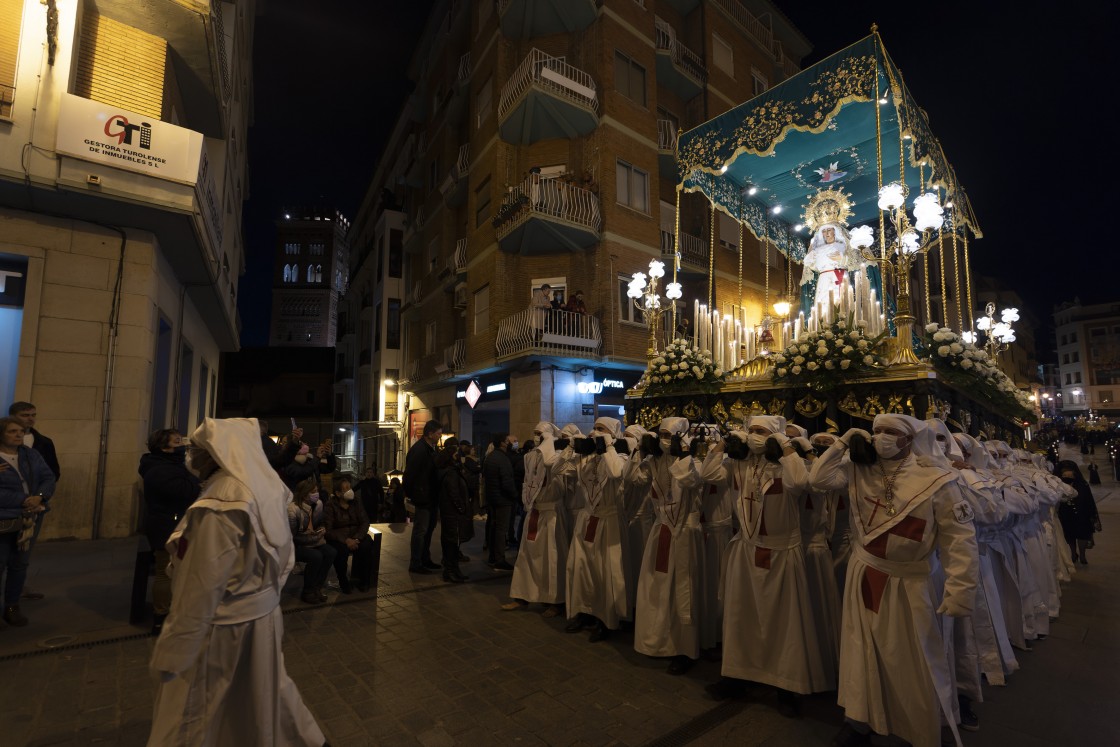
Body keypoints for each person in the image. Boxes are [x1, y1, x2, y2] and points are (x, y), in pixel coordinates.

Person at [147, 418, 325, 745]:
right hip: (261, 620)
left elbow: (199, 587)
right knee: (262, 698)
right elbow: (283, 560)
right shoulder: (265, 488)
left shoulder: (221, 501)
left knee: (195, 718)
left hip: (221, 632)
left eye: (199, 449)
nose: (192, 456)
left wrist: (173, 652)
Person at [810, 414, 977, 747]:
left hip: (911, 584)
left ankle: (918, 728)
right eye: (876, 431)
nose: (881, 437)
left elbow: (959, 538)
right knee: (861, 651)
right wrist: (843, 440)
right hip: (867, 572)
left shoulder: (938, 479)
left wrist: (961, 588)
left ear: (910, 439)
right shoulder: (860, 468)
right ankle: (858, 721)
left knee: (911, 658)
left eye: (890, 432)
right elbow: (818, 479)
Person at [701, 416, 830, 711]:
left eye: (761, 432)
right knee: (741, 616)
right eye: (752, 432)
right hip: (747, 549)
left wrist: (785, 446)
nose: (754, 437)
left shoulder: (787, 464)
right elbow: (708, 472)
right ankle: (737, 676)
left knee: (784, 622)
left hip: (782, 551)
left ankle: (786, 685)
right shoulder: (739, 464)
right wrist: (725, 442)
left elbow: (801, 482)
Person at [631, 417, 704, 675]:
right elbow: (635, 478)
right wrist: (642, 450)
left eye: (668, 436)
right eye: (660, 435)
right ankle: (659, 641)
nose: (663, 440)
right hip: (661, 530)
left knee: (682, 591)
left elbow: (689, 481)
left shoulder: (692, 462)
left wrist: (684, 451)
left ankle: (684, 649)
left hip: (684, 532)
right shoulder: (654, 462)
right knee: (658, 589)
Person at [564, 417, 631, 642]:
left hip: (609, 521)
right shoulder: (587, 458)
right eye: (594, 428)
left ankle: (606, 620)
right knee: (581, 568)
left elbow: (615, 473)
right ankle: (583, 611)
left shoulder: (620, 456)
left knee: (605, 572)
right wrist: (572, 448)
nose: (594, 432)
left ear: (612, 434)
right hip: (587, 518)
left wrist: (608, 446)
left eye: (600, 429)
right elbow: (556, 468)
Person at [139, 428, 202, 633]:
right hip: (166, 525)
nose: (182, 447)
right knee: (164, 571)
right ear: (163, 447)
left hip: (170, 522)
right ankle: (161, 616)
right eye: (177, 443)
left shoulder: (166, 465)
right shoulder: (160, 470)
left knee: (175, 570)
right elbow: (186, 492)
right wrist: (195, 478)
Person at [504, 421, 567, 615]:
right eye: (534, 432)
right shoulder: (530, 457)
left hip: (550, 513)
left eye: (540, 433)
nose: (536, 436)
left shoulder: (556, 457)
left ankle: (553, 601)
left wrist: (550, 445)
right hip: (534, 510)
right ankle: (522, 596)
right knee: (526, 556)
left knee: (550, 557)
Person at [0, 416, 54, 628]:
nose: (18, 435)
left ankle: (12, 606)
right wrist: (23, 499)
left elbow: (48, 477)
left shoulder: (31, 454)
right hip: (5, 517)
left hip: (30, 517)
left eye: (21, 432)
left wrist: (40, 496)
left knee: (19, 563)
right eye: (12, 431)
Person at [9, 401, 60, 601]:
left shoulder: (42, 443)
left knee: (24, 553)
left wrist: (39, 496)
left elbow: (52, 473)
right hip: (8, 508)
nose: (30, 419)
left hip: (34, 506)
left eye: (33, 415)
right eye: (25, 415)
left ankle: (14, 596)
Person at [287, 477, 336, 604]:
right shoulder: (293, 509)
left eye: (317, 491)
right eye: (313, 491)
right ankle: (307, 591)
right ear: (303, 494)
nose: (316, 494)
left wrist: (321, 530)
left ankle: (317, 588)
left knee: (331, 552)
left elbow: (320, 523)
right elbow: (290, 537)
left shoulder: (318, 504)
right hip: (296, 545)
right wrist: (314, 537)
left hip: (313, 540)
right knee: (316, 556)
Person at [324, 476, 375, 593]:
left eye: (350, 487)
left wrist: (357, 537)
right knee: (341, 551)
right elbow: (328, 529)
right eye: (346, 488)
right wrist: (346, 540)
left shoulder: (356, 501)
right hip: (339, 538)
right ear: (337, 493)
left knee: (367, 545)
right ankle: (343, 581)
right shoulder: (330, 505)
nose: (350, 490)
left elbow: (365, 521)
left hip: (356, 535)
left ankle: (364, 580)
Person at [404, 420, 443, 574]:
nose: (440, 437)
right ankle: (416, 562)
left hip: (430, 496)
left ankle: (425, 559)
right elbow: (410, 475)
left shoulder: (430, 449)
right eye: (438, 434)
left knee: (428, 530)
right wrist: (414, 494)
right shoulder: (419, 450)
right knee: (421, 530)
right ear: (430, 434)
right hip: (423, 497)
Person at [435, 443, 470, 583]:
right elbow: (453, 492)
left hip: (449, 512)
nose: (459, 456)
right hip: (452, 513)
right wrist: (461, 508)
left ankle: (454, 569)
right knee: (451, 542)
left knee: (452, 542)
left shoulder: (449, 470)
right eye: (456, 454)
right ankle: (450, 570)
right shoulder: (450, 472)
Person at [484, 433, 518, 571]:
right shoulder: (502, 459)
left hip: (493, 498)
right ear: (502, 443)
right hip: (502, 499)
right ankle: (499, 559)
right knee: (501, 530)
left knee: (494, 527)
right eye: (507, 441)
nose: (509, 444)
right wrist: (515, 495)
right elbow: (507, 481)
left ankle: (493, 557)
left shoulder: (491, 457)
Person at [1055, 461, 1100, 565]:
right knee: (1070, 536)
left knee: (1082, 535)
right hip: (1066, 515)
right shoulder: (1058, 486)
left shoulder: (1082, 484)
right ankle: (1073, 553)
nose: (1068, 477)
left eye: (1070, 475)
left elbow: (1089, 500)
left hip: (1082, 514)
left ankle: (1083, 555)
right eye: (1065, 475)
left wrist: (1092, 514)